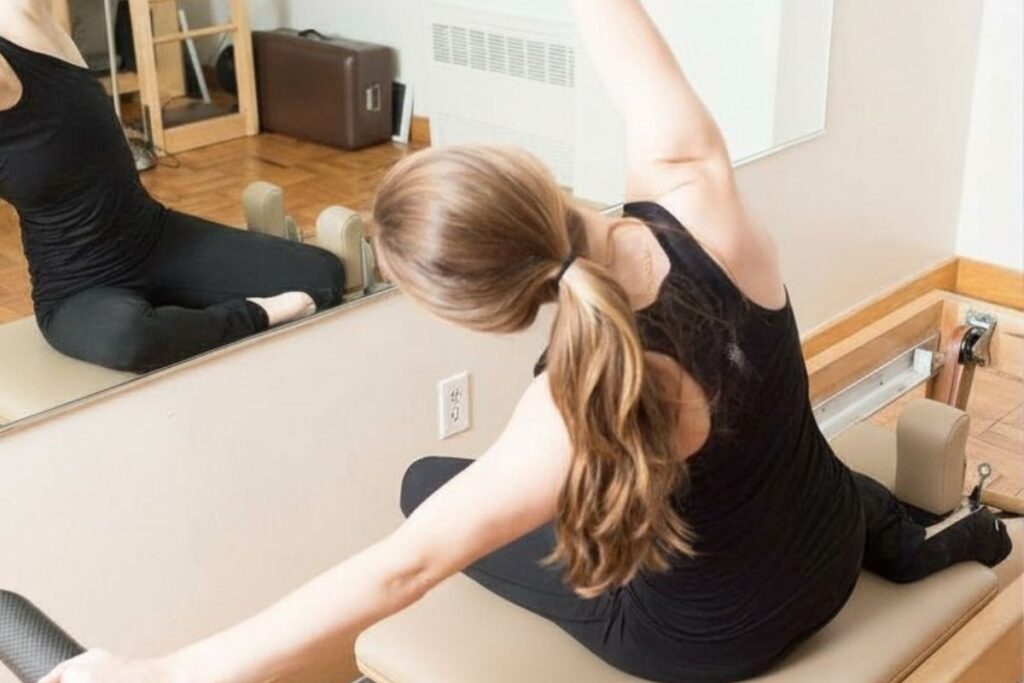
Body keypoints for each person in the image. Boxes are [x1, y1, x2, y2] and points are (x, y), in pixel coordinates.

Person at [40, 1, 1013, 681]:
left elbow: (402, 566)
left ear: (493, 309)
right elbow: (631, 46)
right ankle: (915, 536)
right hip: (827, 551)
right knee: (738, 460)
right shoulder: (702, 196)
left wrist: (168, 667)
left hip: (717, 638)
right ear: (526, 177)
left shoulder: (567, 404)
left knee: (426, 483)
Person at [0, 0, 344, 374]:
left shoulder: (24, 17)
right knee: (132, 339)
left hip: (157, 238)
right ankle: (255, 314)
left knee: (323, 275)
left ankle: (181, 317)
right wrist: (256, 313)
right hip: (77, 289)